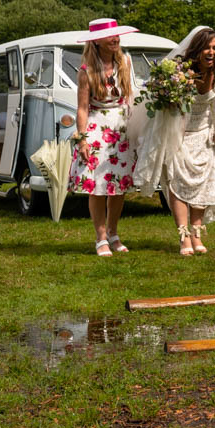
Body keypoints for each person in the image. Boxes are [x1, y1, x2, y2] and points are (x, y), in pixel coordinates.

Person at [133, 26, 215, 256]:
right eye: (206, 47)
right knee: (176, 183)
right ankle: (183, 235)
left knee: (202, 183)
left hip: (204, 132)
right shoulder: (180, 71)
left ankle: (197, 233)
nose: (211, 52)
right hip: (179, 133)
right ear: (196, 49)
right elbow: (165, 105)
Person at [68, 18, 139, 257]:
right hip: (97, 128)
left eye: (117, 35)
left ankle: (113, 232)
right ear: (97, 41)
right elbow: (82, 108)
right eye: (110, 36)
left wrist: (136, 129)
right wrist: (83, 139)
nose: (115, 39)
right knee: (97, 186)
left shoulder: (126, 62)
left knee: (118, 186)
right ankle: (101, 238)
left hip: (121, 128)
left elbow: (130, 98)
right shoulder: (86, 70)